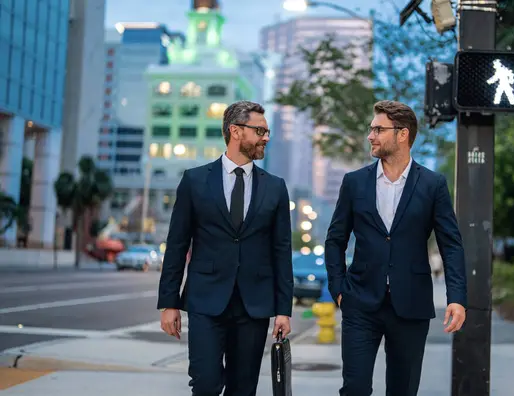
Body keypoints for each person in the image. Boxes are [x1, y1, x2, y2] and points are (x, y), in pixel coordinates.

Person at [325, 100, 467, 396]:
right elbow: (336, 239)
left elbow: (450, 244)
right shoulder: (354, 182)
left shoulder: (432, 184)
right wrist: (338, 287)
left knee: (402, 390)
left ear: (402, 134)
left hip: (411, 305)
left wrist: (457, 297)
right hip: (360, 301)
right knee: (354, 388)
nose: (371, 136)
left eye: (378, 129)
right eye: (371, 128)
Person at [157, 100, 294, 396]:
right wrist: (169, 302)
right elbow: (178, 244)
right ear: (235, 131)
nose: (266, 137)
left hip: (254, 306)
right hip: (206, 300)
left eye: (267, 131)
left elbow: (281, 251)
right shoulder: (194, 181)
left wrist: (284, 310)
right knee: (205, 384)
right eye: (260, 130)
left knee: (242, 389)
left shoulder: (275, 187)